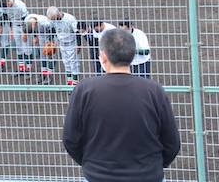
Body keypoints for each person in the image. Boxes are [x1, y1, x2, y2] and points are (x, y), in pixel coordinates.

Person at [62, 28, 180, 182]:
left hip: (98, 175)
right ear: (132, 55)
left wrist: (91, 164)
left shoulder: (84, 90)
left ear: (103, 56)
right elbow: (172, 142)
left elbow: (70, 138)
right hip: (148, 175)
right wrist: (154, 166)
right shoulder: (154, 90)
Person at [47, 6, 81, 85]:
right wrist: (51, 40)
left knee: (73, 63)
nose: (54, 20)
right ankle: (69, 82)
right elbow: (52, 29)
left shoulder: (70, 19)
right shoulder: (53, 20)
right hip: (61, 44)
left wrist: (78, 45)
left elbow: (77, 32)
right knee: (66, 63)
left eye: (55, 18)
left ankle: (75, 84)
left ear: (58, 13)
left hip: (71, 44)